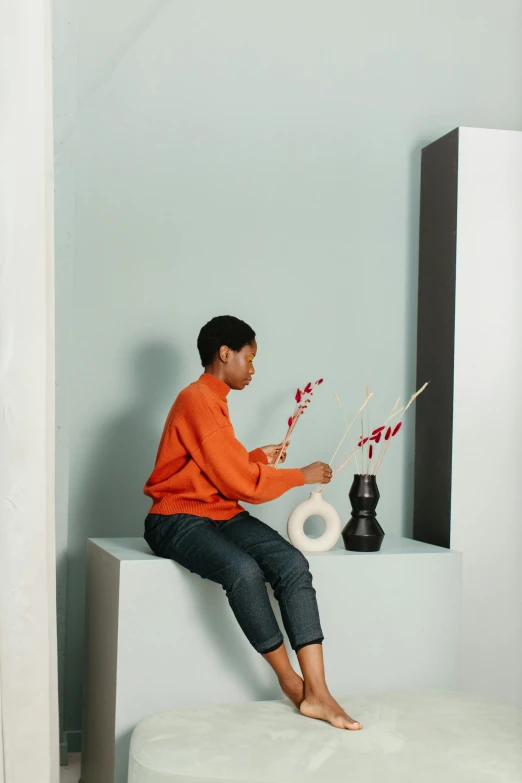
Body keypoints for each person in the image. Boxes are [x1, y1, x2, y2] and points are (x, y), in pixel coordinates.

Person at [143, 315, 362, 730]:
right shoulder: (196, 399)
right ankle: (291, 683)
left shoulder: (213, 400)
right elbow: (238, 482)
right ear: (225, 354)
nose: (253, 369)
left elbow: (215, 467)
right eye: (250, 358)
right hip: (175, 517)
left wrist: (257, 459)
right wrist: (301, 475)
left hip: (218, 511)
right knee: (243, 571)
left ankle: (320, 692)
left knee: (293, 564)